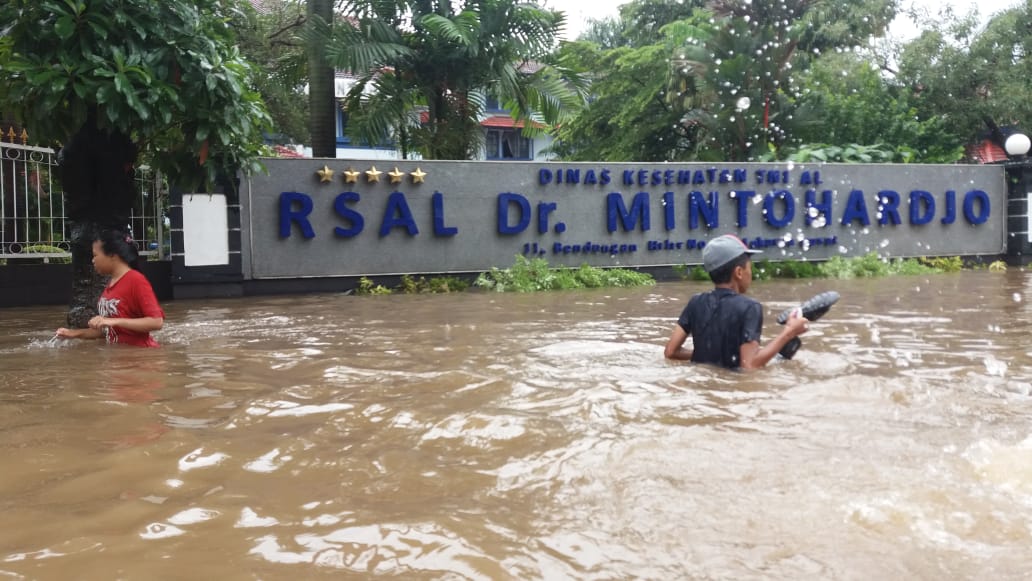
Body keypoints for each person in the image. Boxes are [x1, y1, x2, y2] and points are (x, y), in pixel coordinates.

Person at [664, 234, 807, 370]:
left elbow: (671, 352)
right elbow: (749, 366)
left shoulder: (696, 302)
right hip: (732, 390)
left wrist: (708, 356)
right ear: (739, 272)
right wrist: (788, 333)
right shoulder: (750, 307)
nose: (751, 273)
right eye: (749, 267)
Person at [55, 228, 164, 347]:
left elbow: (156, 322)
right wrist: (73, 334)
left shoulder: (136, 280)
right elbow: (106, 331)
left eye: (95, 255)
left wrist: (113, 321)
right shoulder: (111, 283)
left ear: (112, 255)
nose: (93, 260)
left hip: (142, 358)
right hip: (120, 356)